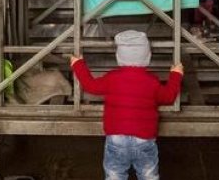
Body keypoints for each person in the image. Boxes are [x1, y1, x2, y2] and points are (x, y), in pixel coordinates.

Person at [70, 30, 184, 180]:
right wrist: (176, 74)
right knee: (148, 176)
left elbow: (91, 86)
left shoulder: (112, 78)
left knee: (115, 175)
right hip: (144, 139)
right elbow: (169, 97)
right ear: (148, 57)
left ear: (119, 57)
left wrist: (78, 64)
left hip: (116, 138)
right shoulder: (152, 81)